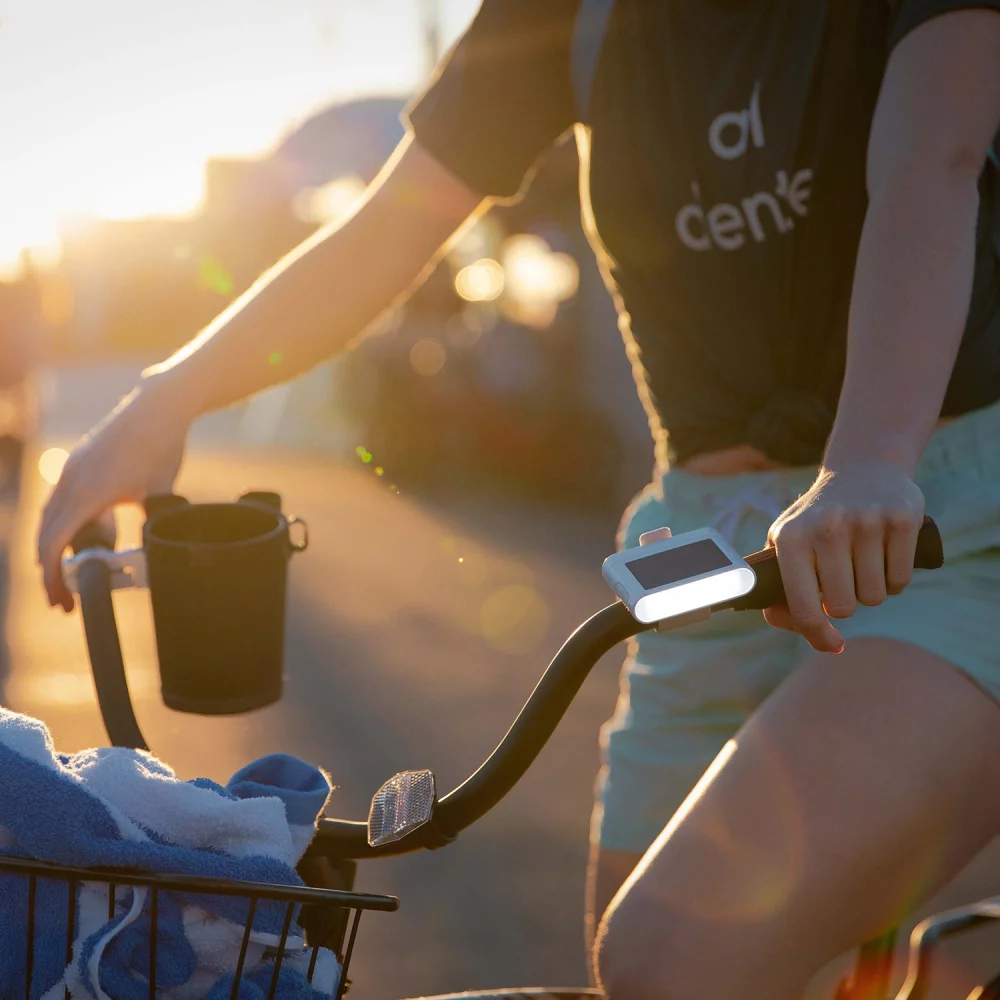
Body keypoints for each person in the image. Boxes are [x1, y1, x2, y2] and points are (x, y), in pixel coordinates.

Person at [38, 2, 1000, 997]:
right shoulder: (565, 15)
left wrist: (868, 460)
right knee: (638, 979)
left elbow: (932, 160)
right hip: (706, 546)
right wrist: (165, 399)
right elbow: (390, 226)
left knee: (668, 960)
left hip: (934, 520)